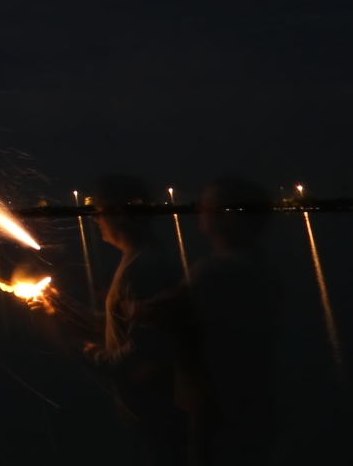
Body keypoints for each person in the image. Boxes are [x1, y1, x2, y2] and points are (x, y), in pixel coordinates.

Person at [54, 174, 201, 464]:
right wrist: (61, 304)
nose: (95, 219)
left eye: (98, 211)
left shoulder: (142, 268)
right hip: (148, 409)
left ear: (119, 213)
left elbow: (144, 351)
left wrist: (91, 354)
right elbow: (121, 324)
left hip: (157, 411)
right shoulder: (138, 260)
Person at [188, 175, 279, 464]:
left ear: (228, 216)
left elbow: (155, 317)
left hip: (216, 401)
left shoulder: (214, 271)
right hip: (256, 398)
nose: (198, 209)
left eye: (206, 204)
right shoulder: (260, 264)